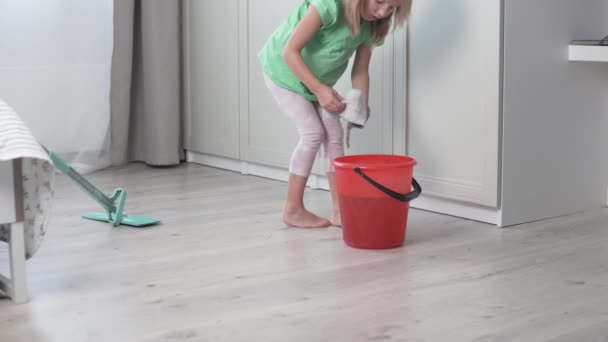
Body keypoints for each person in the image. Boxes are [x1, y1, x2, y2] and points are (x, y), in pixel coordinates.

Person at [259, 0, 412, 228]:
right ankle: (293, 209)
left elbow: (360, 70)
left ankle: (340, 211)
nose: (383, 12)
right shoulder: (329, 5)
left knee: (334, 136)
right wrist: (320, 90)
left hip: (317, 83)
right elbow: (289, 52)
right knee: (312, 133)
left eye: (392, 9)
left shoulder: (371, 27)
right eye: (380, 2)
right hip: (284, 72)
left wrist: (361, 103)